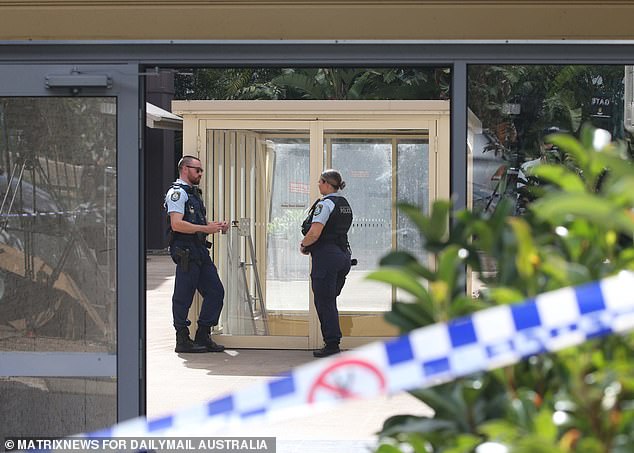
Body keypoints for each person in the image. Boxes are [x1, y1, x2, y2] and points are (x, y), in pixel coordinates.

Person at [164, 155, 229, 353]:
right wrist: (205, 228)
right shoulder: (177, 193)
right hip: (185, 251)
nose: (200, 173)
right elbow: (177, 224)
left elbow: (197, 223)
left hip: (199, 250)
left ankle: (203, 335)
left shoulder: (193, 193)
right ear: (185, 169)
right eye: (197, 170)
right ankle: (182, 339)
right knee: (183, 296)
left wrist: (214, 227)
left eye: (201, 170)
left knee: (216, 291)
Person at [300, 169, 353, 358]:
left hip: (327, 257)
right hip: (342, 255)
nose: (318, 184)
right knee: (329, 299)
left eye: (320, 181)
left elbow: (315, 232)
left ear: (327, 183)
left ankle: (331, 344)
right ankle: (332, 341)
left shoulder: (326, 204)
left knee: (324, 301)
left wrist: (304, 245)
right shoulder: (344, 203)